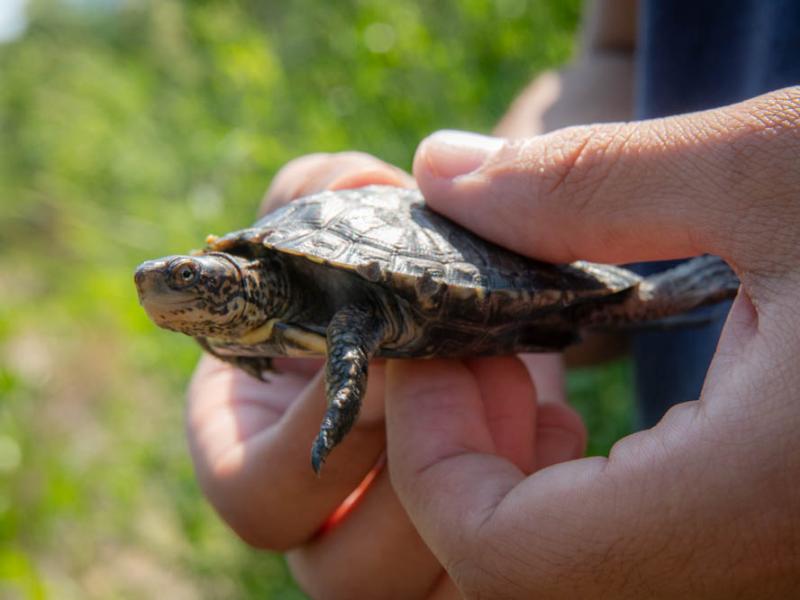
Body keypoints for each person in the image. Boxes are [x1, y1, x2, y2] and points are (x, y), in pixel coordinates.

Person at [186, 2, 800, 598]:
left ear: (231, 275)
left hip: (476, 283)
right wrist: (510, 184)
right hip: (684, 421)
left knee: (630, 301)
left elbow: (360, 314)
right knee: (619, 307)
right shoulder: (248, 313)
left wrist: (344, 389)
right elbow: (617, 52)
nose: (166, 287)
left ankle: (649, 296)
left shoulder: (326, 296)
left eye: (188, 278)